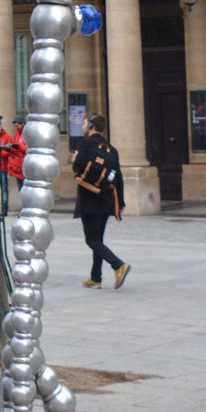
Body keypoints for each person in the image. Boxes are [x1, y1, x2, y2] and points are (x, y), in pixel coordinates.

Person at [74, 115, 129, 289]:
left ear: (91, 125)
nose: (83, 126)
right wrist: (121, 202)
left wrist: (75, 158)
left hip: (89, 197)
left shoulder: (86, 144)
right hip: (105, 199)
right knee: (98, 238)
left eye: (84, 123)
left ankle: (118, 265)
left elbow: (78, 167)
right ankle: (95, 277)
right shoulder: (111, 149)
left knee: (91, 240)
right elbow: (118, 177)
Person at [0, 118, 25, 209]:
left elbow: (14, 151)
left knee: (6, 189)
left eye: (17, 124)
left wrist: (1, 153)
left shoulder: (8, 137)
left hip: (6, 166)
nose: (16, 126)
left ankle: (5, 209)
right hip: (14, 166)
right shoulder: (16, 134)